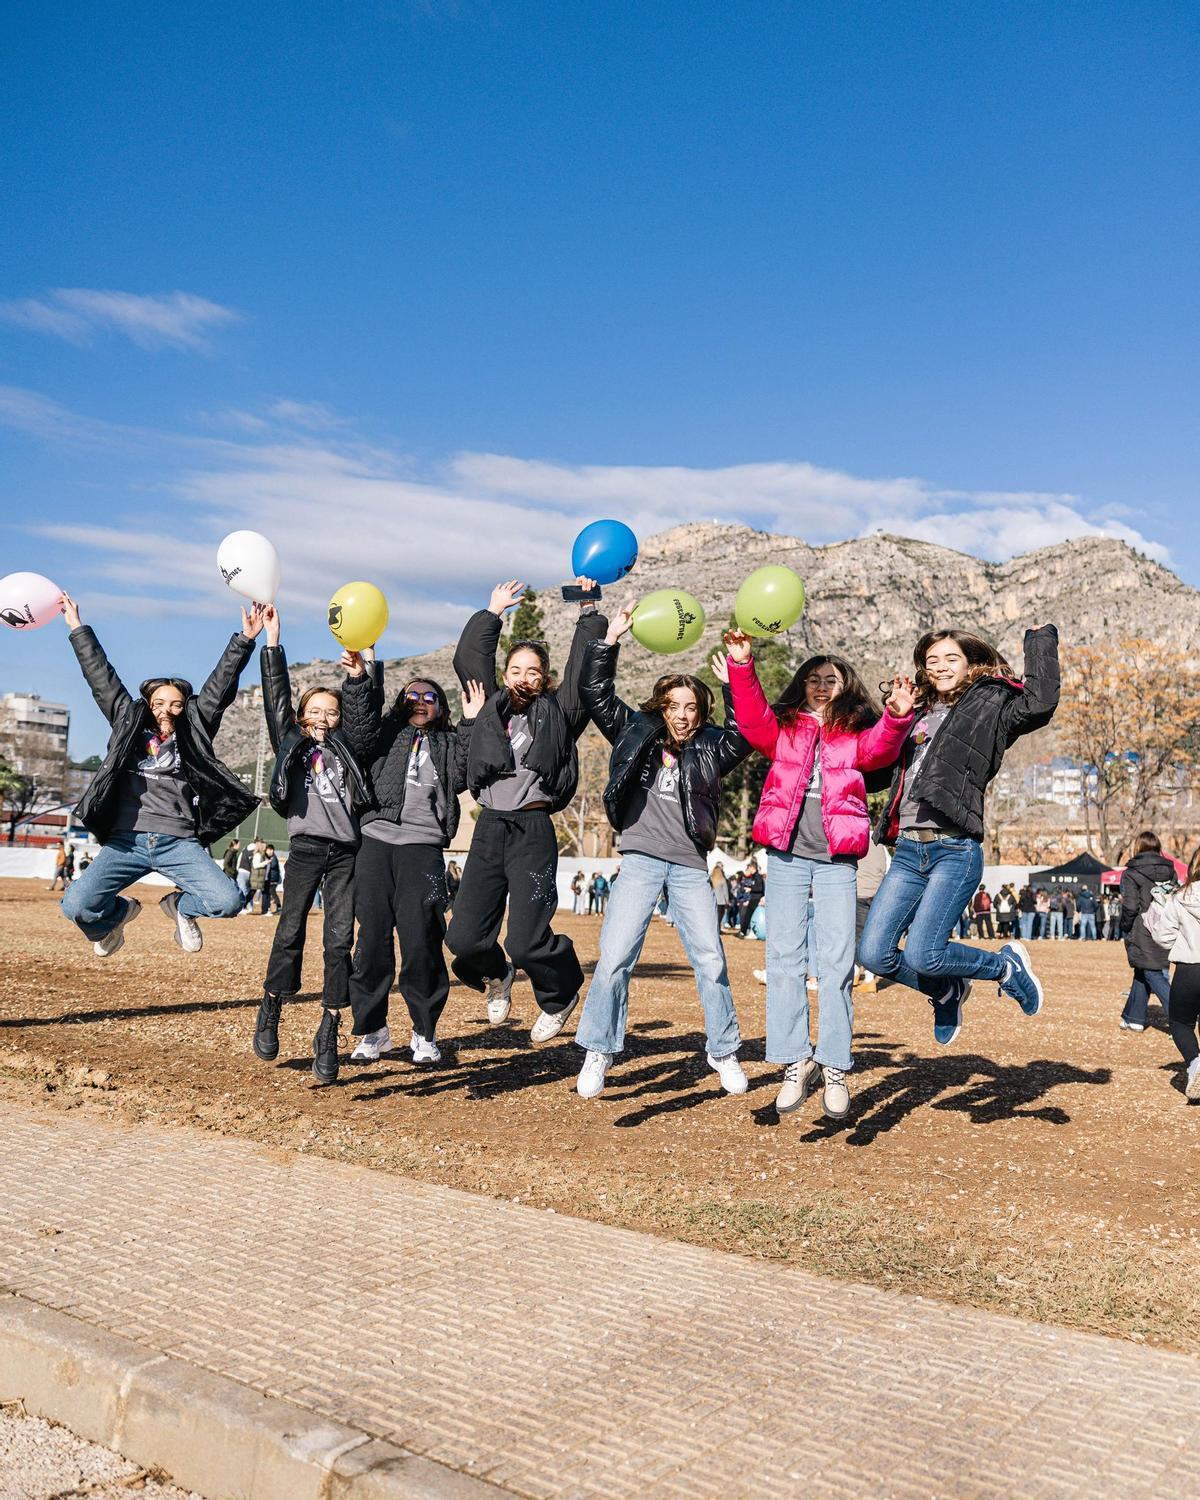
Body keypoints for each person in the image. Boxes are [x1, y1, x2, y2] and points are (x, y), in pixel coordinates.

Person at [725, 636, 912, 1120]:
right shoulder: (783, 727)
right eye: (814, 680)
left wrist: (896, 716)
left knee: (836, 966)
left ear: (845, 686)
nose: (822, 687)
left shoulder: (854, 732)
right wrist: (742, 666)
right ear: (802, 686)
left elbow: (881, 751)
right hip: (786, 855)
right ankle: (794, 1064)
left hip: (836, 859)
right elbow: (751, 720)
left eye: (832, 680)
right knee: (783, 962)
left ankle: (834, 1069)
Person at [573, 606, 751, 1099]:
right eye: (673, 705)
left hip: (691, 865)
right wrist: (610, 639)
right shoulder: (636, 731)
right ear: (660, 707)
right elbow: (595, 694)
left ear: (701, 710)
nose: (682, 714)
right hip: (641, 860)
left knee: (712, 960)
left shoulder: (714, 746)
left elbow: (747, 734)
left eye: (691, 706)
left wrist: (738, 678)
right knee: (614, 959)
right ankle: (599, 1050)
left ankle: (723, 1050)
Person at [858, 624, 1059, 1046]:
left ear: (969, 661)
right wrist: (894, 718)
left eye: (951, 658)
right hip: (909, 851)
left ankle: (1005, 968)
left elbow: (1040, 704)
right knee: (874, 954)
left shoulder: (991, 701)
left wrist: (1040, 642)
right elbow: (875, 774)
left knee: (923, 953)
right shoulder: (913, 709)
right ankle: (946, 990)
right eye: (932, 661)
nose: (940, 667)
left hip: (954, 850)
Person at [445, 577, 607, 1045]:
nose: (523, 677)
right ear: (506, 674)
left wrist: (588, 608)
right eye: (515, 669)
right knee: (463, 940)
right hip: (490, 827)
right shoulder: (488, 708)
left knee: (526, 939)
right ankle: (498, 975)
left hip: (533, 829)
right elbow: (469, 660)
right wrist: (492, 612)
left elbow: (583, 671)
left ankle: (559, 996)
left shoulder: (559, 713)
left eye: (533, 671)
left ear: (545, 679)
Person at [58, 593, 260, 955]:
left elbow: (220, 685)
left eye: (177, 704)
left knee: (227, 901)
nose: (167, 710)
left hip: (178, 842)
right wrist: (77, 627)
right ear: (148, 704)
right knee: (76, 907)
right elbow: (101, 678)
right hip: (126, 841)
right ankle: (119, 914)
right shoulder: (128, 722)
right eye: (159, 703)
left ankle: (179, 907)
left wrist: (244, 640)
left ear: (186, 707)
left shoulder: (196, 726)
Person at [341, 651, 481, 1064]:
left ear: (441, 707)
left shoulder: (450, 741)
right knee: (371, 940)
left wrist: (471, 722)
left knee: (422, 939)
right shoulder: (384, 734)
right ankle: (373, 1031)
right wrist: (358, 681)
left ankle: (424, 1032)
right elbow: (359, 726)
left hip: (424, 847)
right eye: (412, 695)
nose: (420, 701)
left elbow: (465, 773)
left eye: (430, 696)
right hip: (375, 842)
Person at [251, 608, 372, 1083]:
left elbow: (364, 715)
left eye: (332, 711)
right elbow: (274, 696)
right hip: (304, 849)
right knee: (290, 932)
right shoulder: (291, 743)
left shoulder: (350, 746)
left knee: (340, 941)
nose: (324, 717)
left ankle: (329, 1028)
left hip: (345, 853)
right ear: (302, 719)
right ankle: (272, 1004)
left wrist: (361, 674)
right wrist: (273, 642)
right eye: (315, 711)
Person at [1142, 849, 1200, 1100]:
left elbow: (1162, 937)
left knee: (1180, 1023)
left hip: (1188, 968)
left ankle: (1195, 1062)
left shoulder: (1180, 897)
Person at [1118, 830, 1175, 1033]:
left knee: (1151, 973)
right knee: (1142, 971)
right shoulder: (1171, 871)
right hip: (1164, 927)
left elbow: (1131, 906)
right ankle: (1133, 1018)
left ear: (1138, 847)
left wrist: (1124, 925)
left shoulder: (1131, 873)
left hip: (1141, 929)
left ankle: (1179, 1016)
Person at [738, 860, 765, 938]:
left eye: (749, 867)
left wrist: (750, 889)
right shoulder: (754, 876)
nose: (748, 869)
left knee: (750, 916)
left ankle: (748, 932)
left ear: (752, 867)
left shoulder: (758, 876)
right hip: (753, 898)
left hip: (756, 899)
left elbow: (759, 888)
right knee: (748, 916)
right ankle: (743, 931)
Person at [710, 862, 730, 929]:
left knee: (714, 916)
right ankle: (718, 929)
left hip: (712, 900)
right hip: (721, 901)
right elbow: (725, 892)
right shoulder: (722, 880)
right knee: (720, 916)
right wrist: (727, 901)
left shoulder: (711, 879)